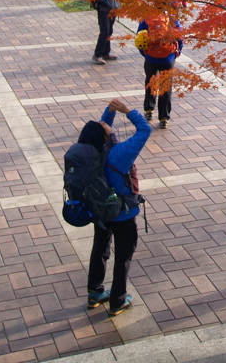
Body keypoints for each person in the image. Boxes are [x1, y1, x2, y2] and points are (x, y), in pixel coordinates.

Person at [80, 98, 151, 317]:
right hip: (122, 213)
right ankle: (117, 301)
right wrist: (128, 111)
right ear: (105, 137)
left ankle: (94, 293)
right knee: (123, 256)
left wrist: (109, 112)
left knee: (100, 249)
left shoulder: (89, 149)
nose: (104, 123)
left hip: (100, 210)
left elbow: (100, 128)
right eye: (103, 126)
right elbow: (144, 130)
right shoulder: (119, 154)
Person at [135, 16, 182, 128]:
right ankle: (164, 117)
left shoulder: (146, 18)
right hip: (167, 58)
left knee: (150, 81)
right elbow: (180, 38)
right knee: (165, 86)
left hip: (151, 57)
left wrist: (146, 54)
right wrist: (175, 53)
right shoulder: (172, 18)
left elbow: (139, 38)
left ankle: (148, 109)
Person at [93, 0, 119, 65]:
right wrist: (103, 3)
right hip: (104, 8)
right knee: (104, 31)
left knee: (110, 31)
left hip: (113, 7)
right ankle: (97, 54)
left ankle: (105, 52)